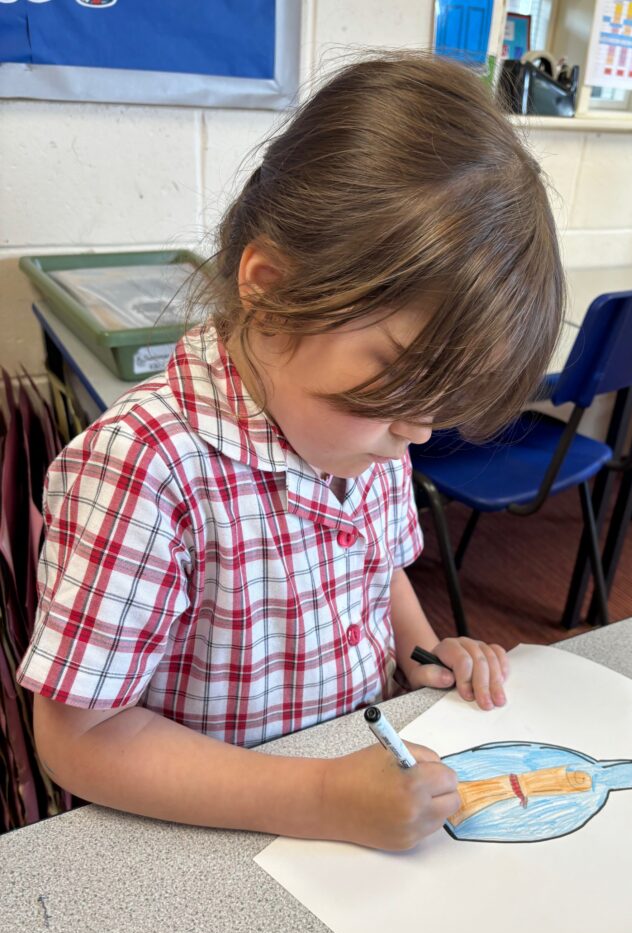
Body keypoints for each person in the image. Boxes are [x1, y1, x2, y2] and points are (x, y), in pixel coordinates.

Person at [18, 53, 564, 851]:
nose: (415, 433)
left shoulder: (367, 437)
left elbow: (380, 573)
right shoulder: (145, 470)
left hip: (348, 791)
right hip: (214, 834)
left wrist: (423, 655)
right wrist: (317, 797)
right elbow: (79, 739)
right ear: (269, 290)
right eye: (397, 387)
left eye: (440, 405)